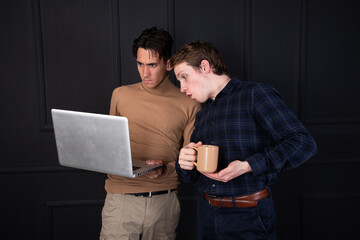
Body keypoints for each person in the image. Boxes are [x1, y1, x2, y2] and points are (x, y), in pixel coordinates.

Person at [169, 41, 317, 240]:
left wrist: (247, 166)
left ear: (204, 67)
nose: (182, 88)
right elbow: (190, 177)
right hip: (206, 214)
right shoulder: (203, 115)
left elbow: (302, 143)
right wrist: (185, 163)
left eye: (184, 77)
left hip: (248, 215)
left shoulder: (255, 94)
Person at [100, 27, 201, 240]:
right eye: (140, 64)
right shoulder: (120, 95)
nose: (145, 73)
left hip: (164, 204)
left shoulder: (189, 101)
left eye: (152, 65)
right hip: (121, 200)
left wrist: (165, 169)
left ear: (169, 63)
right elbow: (108, 149)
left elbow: (192, 159)